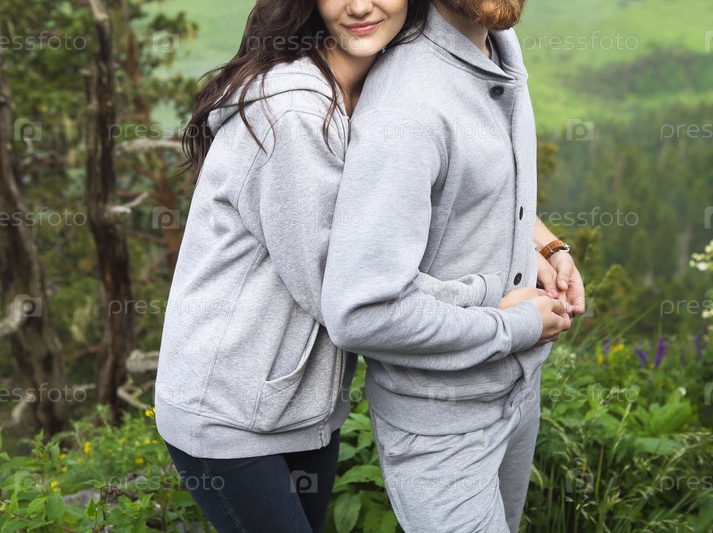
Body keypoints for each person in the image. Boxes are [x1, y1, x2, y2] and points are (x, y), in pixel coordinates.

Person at [153, 1, 528, 531]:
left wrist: (536, 239)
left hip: (302, 406)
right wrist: (494, 299)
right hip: (227, 413)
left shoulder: (375, 83)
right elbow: (347, 291)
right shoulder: (293, 114)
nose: (358, 6)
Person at [321, 0, 586, 531]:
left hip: (517, 392)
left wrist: (543, 248)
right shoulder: (406, 108)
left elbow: (472, 191)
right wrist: (517, 325)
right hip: (442, 426)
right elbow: (362, 313)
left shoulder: (495, 45)